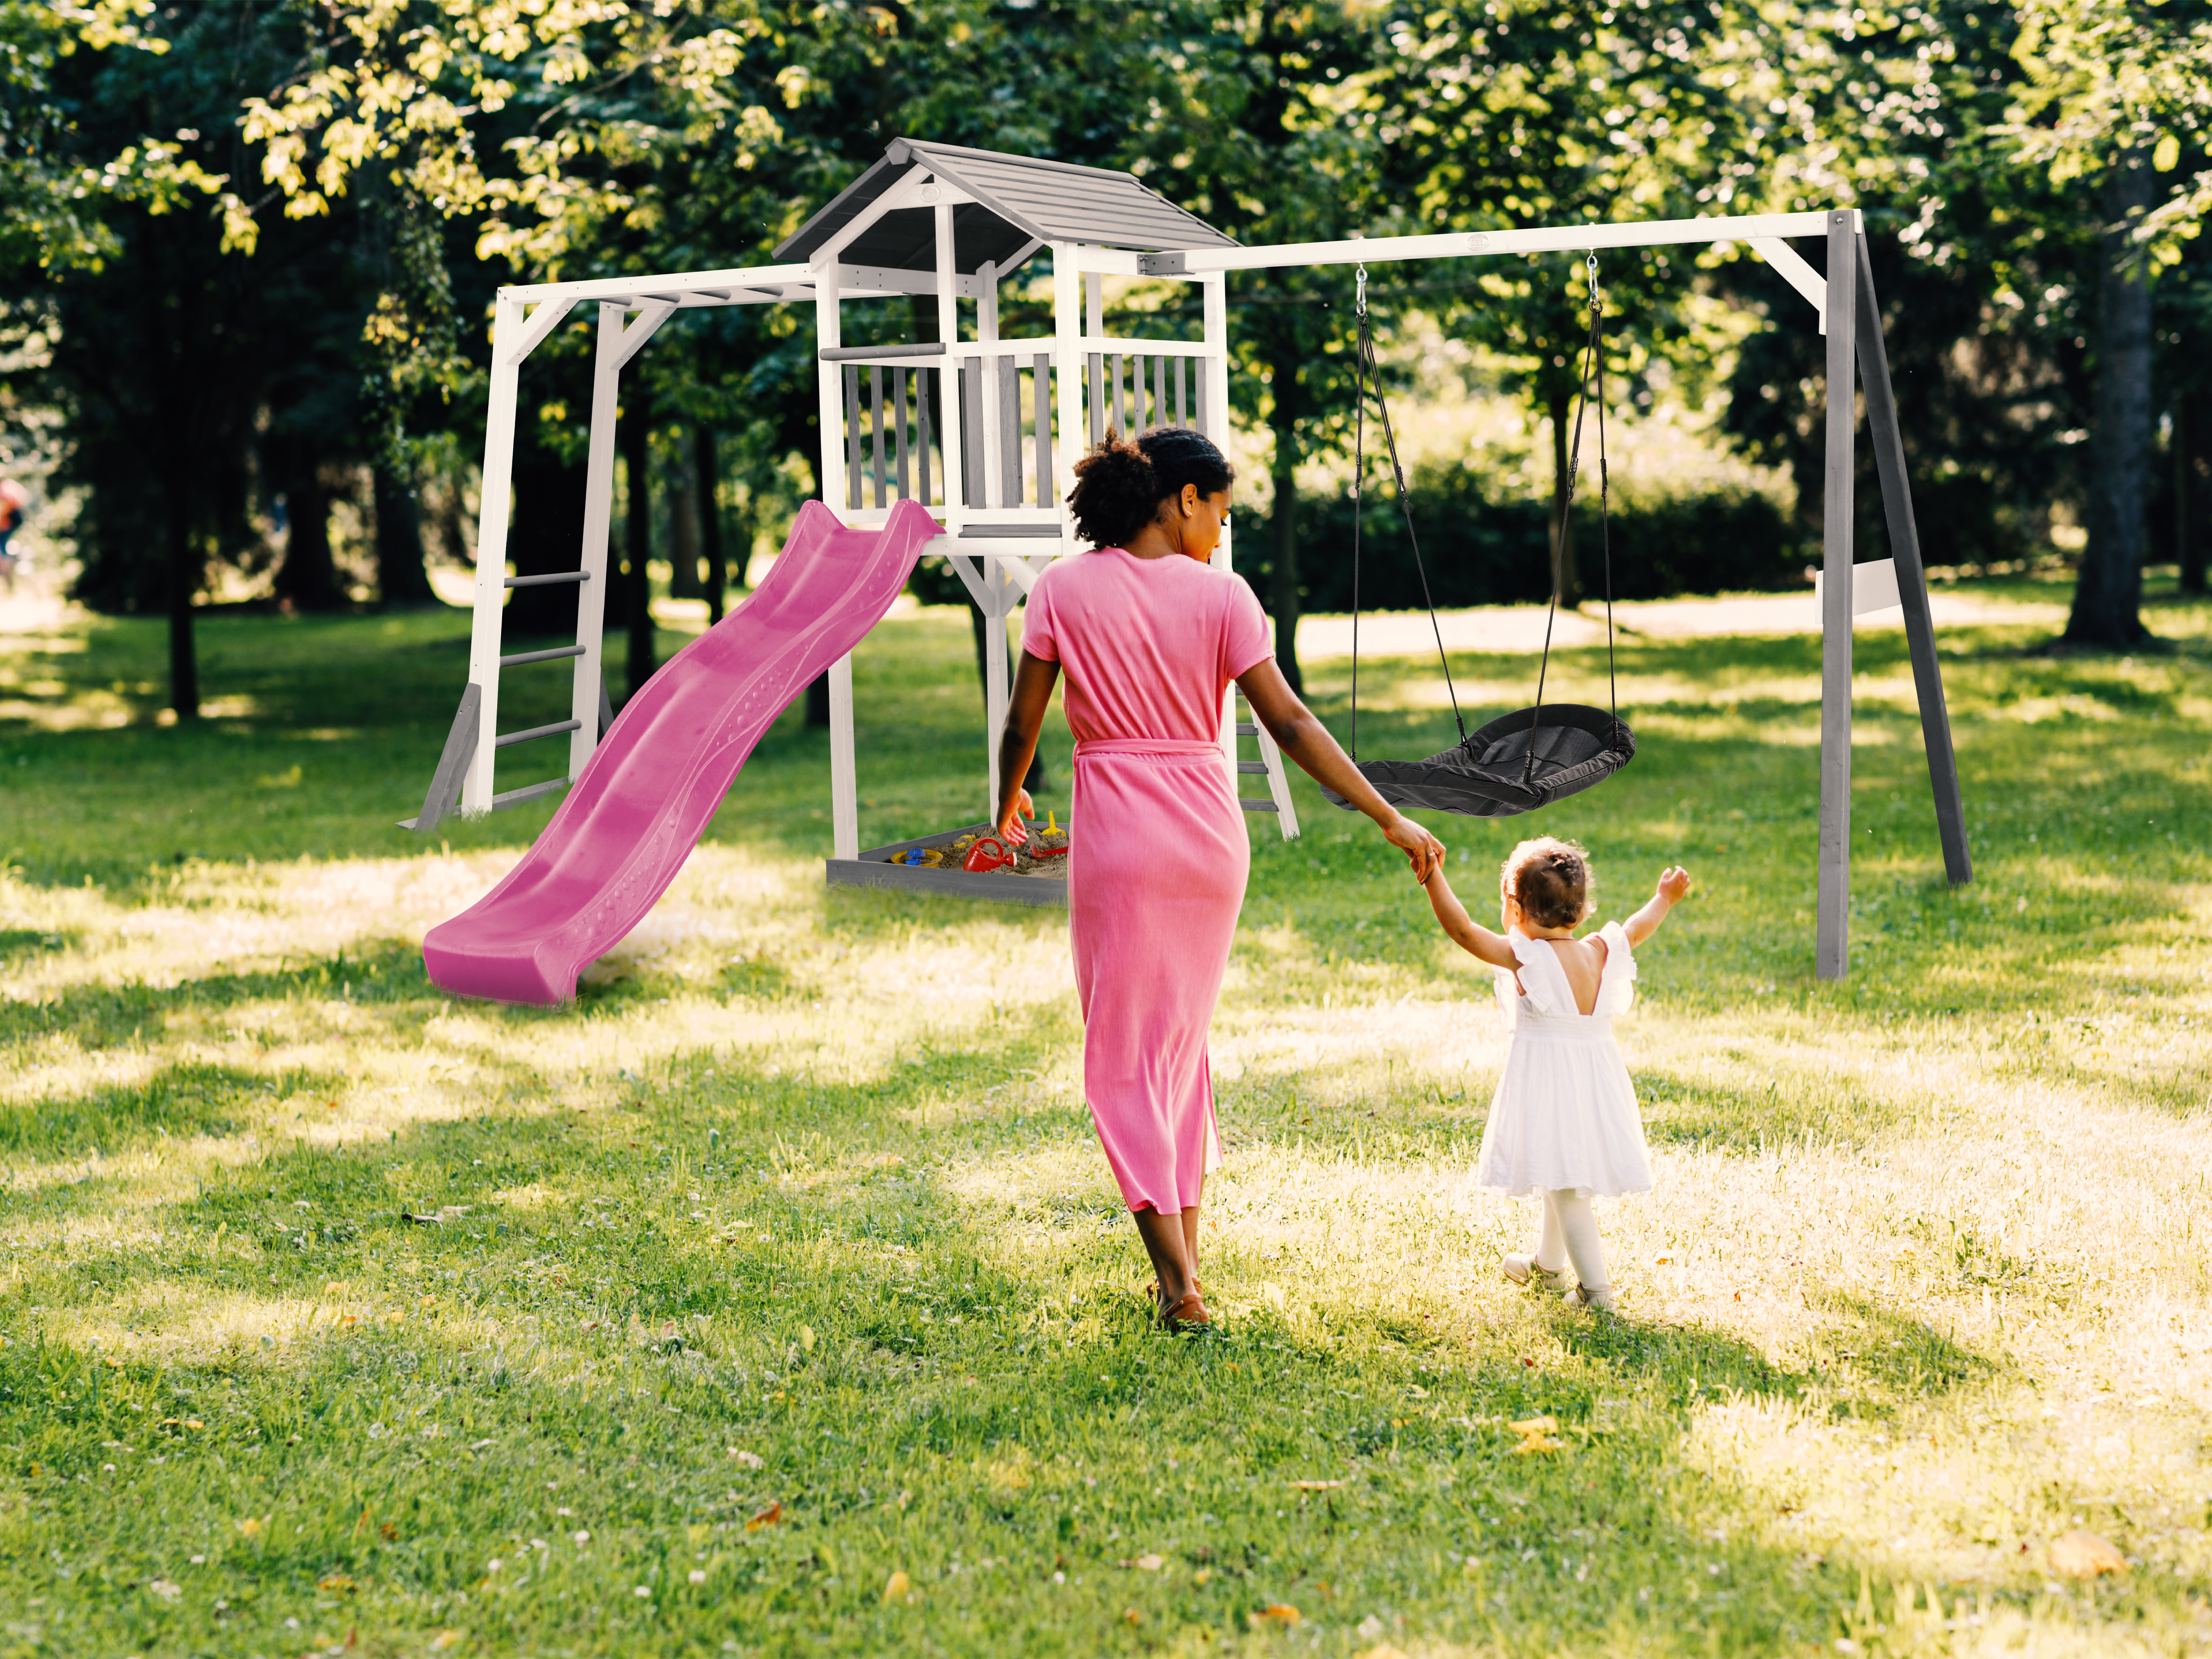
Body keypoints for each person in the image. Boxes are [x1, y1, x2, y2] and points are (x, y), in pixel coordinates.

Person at [994, 427, 1446, 1331]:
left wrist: (1004, 806)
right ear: (1184, 499)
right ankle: (1186, 1271)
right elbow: (1289, 724)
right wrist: (1387, 812)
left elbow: (1023, 723)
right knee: (1176, 1054)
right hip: (1208, 838)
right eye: (1222, 514)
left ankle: (1177, 1286)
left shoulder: (1061, 589)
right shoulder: (1224, 598)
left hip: (1120, 838)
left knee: (1123, 1060)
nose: (1222, 534)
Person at [1419, 837, 1691, 1312]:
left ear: (1515, 908)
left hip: (1551, 1084)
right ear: (1582, 911)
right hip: (1594, 1082)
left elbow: (1462, 931)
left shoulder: (1527, 958)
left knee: (1566, 1188)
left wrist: (1432, 875)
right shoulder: (1600, 950)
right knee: (1556, 1170)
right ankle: (1547, 1267)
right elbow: (1637, 927)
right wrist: (1664, 898)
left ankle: (1596, 1292)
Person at [0, 478, 27, 595]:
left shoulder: (4, 491)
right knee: (3, 548)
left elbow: (6, 507)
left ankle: (7, 574)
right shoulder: (8, 485)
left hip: (9, 522)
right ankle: (8, 575)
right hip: (12, 521)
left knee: (2, 550)